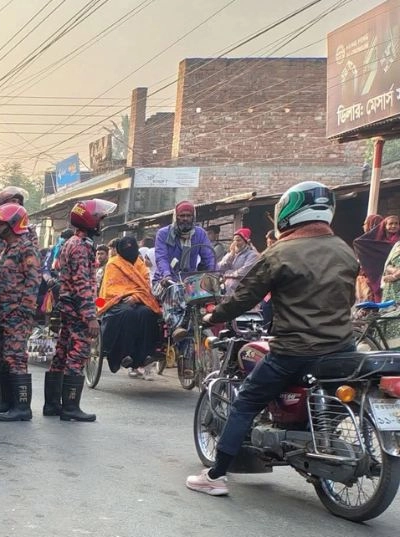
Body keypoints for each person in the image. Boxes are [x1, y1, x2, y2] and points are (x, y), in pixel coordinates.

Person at [187, 181, 357, 496]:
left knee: (246, 402)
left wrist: (215, 316)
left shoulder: (280, 252)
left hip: (295, 350)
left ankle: (215, 475)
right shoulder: (345, 249)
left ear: (289, 212)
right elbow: (348, 298)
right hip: (344, 349)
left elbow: (244, 296)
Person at [46, 199, 116, 422]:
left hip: (69, 307)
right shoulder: (81, 247)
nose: (101, 224)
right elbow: (82, 284)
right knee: (77, 356)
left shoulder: (73, 242)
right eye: (99, 219)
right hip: (78, 310)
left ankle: (52, 404)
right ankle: (70, 407)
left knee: (61, 354)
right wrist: (90, 317)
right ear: (90, 221)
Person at [0, 204, 41, 422]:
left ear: (11, 225)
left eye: (0, 223)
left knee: (16, 359)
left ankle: (22, 407)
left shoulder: (26, 248)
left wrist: (24, 312)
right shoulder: (6, 249)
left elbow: (33, 282)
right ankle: (7, 403)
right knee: (4, 358)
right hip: (2, 313)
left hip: (16, 315)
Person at [98, 237, 162, 379]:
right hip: (117, 301)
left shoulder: (140, 264)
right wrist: (126, 296)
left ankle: (145, 355)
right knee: (127, 313)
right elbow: (111, 287)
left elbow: (145, 286)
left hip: (139, 300)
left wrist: (136, 297)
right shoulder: (113, 264)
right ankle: (122, 354)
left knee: (147, 313)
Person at [152, 201, 215, 285]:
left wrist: (213, 274)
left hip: (189, 281)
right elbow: (161, 258)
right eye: (182, 216)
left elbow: (209, 257)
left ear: (193, 217)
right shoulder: (163, 233)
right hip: (165, 280)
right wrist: (166, 275)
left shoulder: (200, 233)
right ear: (176, 217)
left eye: (188, 216)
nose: (185, 218)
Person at [218, 227, 259, 295]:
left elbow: (244, 272)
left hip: (241, 292)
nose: (235, 243)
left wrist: (228, 274)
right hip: (225, 291)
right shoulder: (231, 254)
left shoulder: (252, 255)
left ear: (246, 241)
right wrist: (231, 255)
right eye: (234, 241)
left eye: (238, 240)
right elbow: (219, 268)